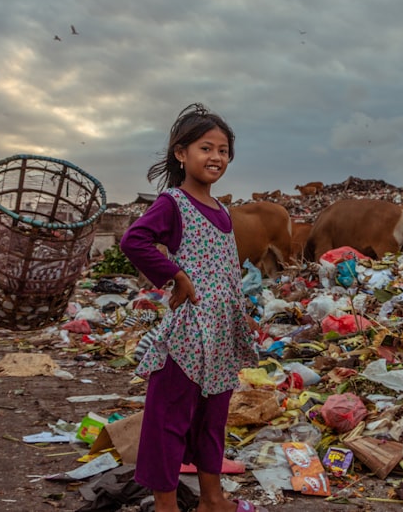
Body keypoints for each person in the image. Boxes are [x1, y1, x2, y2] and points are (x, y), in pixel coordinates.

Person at [120, 104, 264, 512]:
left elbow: (225, 272)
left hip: (220, 332)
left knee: (212, 419)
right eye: (206, 148)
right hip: (188, 333)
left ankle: (212, 498)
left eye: (223, 150)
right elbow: (135, 240)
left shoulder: (223, 213)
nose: (216, 157)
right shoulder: (173, 203)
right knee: (168, 422)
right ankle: (166, 506)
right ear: (181, 153)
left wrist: (240, 311)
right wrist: (176, 276)